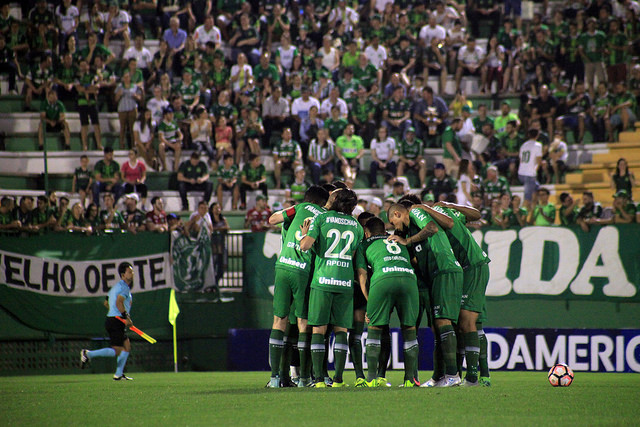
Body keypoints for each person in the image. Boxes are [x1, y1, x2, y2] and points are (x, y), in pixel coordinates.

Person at [387, 202, 463, 387]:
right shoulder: (411, 227)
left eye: (392, 222)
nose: (394, 228)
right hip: (438, 273)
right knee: (438, 325)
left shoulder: (415, 212)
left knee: (443, 322)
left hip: (445, 269)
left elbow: (432, 227)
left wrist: (408, 241)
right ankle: (440, 377)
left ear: (397, 213)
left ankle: (453, 375)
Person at [266, 185, 330, 388]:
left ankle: (275, 379)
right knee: (303, 324)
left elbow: (272, 220)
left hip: (283, 266)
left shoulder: (298, 208)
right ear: (323, 202)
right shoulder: (324, 216)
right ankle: (304, 379)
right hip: (303, 271)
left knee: (279, 321)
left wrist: (290, 212)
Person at [299, 188, 363, 388]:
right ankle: (338, 379)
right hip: (345, 283)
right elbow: (353, 256)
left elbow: (305, 246)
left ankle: (318, 379)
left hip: (323, 281)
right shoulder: (356, 225)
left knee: (319, 328)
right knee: (341, 330)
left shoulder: (322, 218)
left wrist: (303, 235)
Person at [356, 216, 419, 388]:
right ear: (384, 231)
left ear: (366, 233)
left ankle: (371, 379)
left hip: (383, 279)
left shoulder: (364, 244)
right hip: (408, 279)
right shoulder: (398, 240)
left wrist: (371, 304)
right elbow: (415, 262)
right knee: (409, 330)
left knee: (375, 328)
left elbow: (362, 276)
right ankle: (409, 380)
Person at [80, 263, 135, 381]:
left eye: (132, 271)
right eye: (129, 272)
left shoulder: (116, 287)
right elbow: (119, 303)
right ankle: (88, 354)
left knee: (127, 346)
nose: (132, 273)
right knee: (117, 351)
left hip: (114, 320)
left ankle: (119, 374)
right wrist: (126, 318)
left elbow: (106, 303)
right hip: (116, 321)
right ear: (123, 275)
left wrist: (117, 315)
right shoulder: (124, 287)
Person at [115, 70, 143, 149]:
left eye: (128, 77)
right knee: (122, 128)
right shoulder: (120, 86)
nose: (126, 79)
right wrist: (118, 94)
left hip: (132, 108)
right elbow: (116, 99)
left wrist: (135, 96)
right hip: (122, 109)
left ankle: (133, 145)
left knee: (132, 128)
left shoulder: (134, 86)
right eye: (125, 77)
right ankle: (122, 145)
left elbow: (140, 98)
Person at [518, 128, 543, 211]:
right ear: (537, 135)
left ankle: (532, 211)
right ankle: (522, 214)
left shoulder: (523, 145)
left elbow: (521, 159)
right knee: (527, 197)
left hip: (521, 172)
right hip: (530, 173)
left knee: (537, 189)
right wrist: (535, 170)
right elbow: (539, 160)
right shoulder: (538, 145)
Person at [209, 202, 230, 289]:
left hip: (222, 246)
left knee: (222, 268)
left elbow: (227, 228)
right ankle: (212, 285)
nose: (217, 210)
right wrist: (219, 229)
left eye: (219, 208)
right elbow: (210, 229)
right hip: (213, 247)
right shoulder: (210, 219)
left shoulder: (223, 219)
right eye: (215, 208)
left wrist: (217, 229)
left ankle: (216, 282)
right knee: (213, 267)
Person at [158, 106, 183, 171]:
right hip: (166, 142)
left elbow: (180, 134)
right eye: (170, 114)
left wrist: (179, 139)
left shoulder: (174, 123)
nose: (172, 115)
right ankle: (164, 166)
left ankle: (176, 167)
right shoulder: (162, 124)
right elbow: (161, 138)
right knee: (161, 146)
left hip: (173, 141)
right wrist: (171, 145)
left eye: (172, 113)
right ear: (165, 115)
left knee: (178, 146)